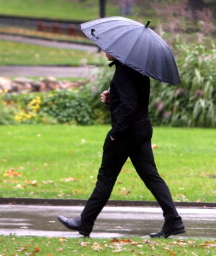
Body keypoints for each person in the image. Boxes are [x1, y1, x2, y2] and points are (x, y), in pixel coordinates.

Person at [58, 52, 185, 238]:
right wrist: (113, 96)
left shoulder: (124, 72)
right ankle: (174, 221)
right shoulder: (137, 70)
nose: (105, 52)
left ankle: (84, 222)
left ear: (119, 51)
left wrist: (115, 133)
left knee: (106, 177)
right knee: (152, 177)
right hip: (142, 129)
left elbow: (129, 106)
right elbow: (132, 99)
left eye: (107, 49)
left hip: (126, 134)